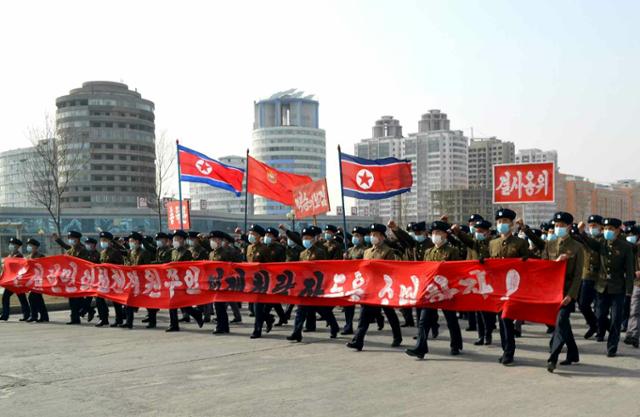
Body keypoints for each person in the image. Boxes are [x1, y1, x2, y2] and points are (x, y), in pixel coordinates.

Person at [405, 220, 462, 359]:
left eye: (438, 233)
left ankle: (456, 344)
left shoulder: (452, 251)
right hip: (430, 292)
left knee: (451, 320)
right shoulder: (428, 252)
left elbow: (457, 271)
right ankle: (420, 347)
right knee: (423, 321)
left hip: (446, 291)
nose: (435, 235)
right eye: (433, 233)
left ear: (445, 235)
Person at [579, 217, 635, 356]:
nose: (607, 231)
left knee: (616, 318)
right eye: (605, 229)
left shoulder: (625, 247)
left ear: (617, 230)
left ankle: (612, 346)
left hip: (618, 288)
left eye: (610, 229)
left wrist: (629, 290)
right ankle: (603, 330)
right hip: (601, 286)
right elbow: (590, 243)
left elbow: (629, 271)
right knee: (600, 316)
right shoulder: (601, 243)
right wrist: (582, 233)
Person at [347, 223, 402, 351]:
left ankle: (397, 337)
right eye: (371, 234)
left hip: (383, 287)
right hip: (370, 287)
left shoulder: (388, 251)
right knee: (364, 315)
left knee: (390, 313)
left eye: (376, 235)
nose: (373, 237)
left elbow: (391, 269)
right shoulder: (367, 252)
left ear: (382, 237)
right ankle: (358, 340)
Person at [544, 212, 585, 372]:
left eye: (562, 225)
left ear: (569, 226)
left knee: (560, 322)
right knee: (563, 324)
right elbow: (544, 268)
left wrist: (571, 295)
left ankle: (552, 358)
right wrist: (555, 263)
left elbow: (577, 275)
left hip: (567, 293)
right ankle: (573, 353)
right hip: (553, 292)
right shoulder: (550, 244)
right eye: (556, 225)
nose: (558, 228)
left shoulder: (577, 247)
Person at [488, 208, 529, 366]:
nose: (501, 224)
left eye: (505, 222)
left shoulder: (520, 243)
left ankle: (509, 351)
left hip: (513, 286)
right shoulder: (493, 243)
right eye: (499, 222)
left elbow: (527, 264)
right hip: (498, 287)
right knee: (501, 319)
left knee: (506, 319)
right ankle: (506, 349)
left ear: (511, 224)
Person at [287, 226, 340, 342]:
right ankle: (296, 332)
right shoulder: (302, 254)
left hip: (317, 285)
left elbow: (324, 268)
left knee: (322, 310)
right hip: (305, 285)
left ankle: (334, 327)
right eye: (304, 237)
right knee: (300, 310)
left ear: (313, 239)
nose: (306, 240)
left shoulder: (320, 252)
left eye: (308, 238)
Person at [452, 219, 496, 346]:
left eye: (481, 231)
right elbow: (469, 241)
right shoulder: (475, 243)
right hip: (476, 280)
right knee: (478, 310)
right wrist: (458, 232)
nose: (478, 233)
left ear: (487, 232)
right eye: (477, 231)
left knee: (487, 312)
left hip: (489, 281)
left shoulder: (493, 243)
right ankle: (481, 335)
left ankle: (488, 334)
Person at [388, 220, 434, 329]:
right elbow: (405, 239)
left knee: (428, 306)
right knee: (418, 304)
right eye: (415, 233)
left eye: (418, 233)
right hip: (415, 277)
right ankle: (420, 328)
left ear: (425, 233)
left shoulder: (430, 244)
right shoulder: (413, 243)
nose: (416, 235)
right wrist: (395, 229)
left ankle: (432, 325)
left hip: (427, 276)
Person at [167, 230, 204, 332]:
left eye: (177, 239)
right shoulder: (173, 251)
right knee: (175, 303)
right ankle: (175, 324)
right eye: (174, 239)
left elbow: (187, 267)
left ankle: (195, 315)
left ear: (182, 240)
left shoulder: (187, 252)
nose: (174, 241)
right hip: (173, 280)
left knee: (179, 303)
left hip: (182, 281)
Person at [53, 231, 91, 325]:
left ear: (78, 239)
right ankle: (74, 318)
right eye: (70, 239)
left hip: (80, 278)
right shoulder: (70, 251)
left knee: (79, 299)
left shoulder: (83, 250)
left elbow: (84, 263)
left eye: (73, 239)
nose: (71, 240)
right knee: (72, 300)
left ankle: (89, 310)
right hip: (71, 279)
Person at [245, 224, 275, 339]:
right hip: (251, 281)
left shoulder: (264, 249)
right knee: (253, 308)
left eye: (254, 234)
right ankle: (268, 318)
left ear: (259, 236)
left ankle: (257, 330)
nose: (251, 236)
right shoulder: (248, 248)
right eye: (250, 233)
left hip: (262, 281)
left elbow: (269, 266)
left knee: (257, 307)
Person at [578, 215, 604, 339]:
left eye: (595, 225)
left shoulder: (604, 240)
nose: (592, 227)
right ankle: (594, 324)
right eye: (591, 225)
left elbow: (593, 244)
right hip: (587, 276)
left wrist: (583, 233)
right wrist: (579, 231)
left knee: (599, 307)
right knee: (583, 304)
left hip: (600, 277)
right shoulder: (585, 238)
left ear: (601, 227)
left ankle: (600, 331)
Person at [123, 232, 155, 329]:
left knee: (147, 302)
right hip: (132, 281)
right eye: (129, 241)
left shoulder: (144, 253)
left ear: (137, 241)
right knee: (129, 301)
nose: (130, 243)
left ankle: (152, 321)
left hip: (142, 281)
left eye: (132, 241)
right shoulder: (129, 252)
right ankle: (129, 322)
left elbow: (147, 267)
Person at [341, 226, 369, 335]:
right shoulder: (349, 250)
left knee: (364, 306)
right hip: (351, 280)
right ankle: (348, 326)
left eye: (357, 236)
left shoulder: (365, 250)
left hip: (361, 280)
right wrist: (345, 259)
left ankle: (376, 319)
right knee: (348, 304)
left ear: (362, 237)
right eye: (353, 236)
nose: (355, 238)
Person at [208, 230, 235, 334]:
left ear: (220, 240)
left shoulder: (226, 252)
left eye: (214, 239)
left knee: (220, 305)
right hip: (215, 282)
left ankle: (221, 326)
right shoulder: (211, 253)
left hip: (224, 282)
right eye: (211, 240)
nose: (212, 241)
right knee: (218, 305)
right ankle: (224, 326)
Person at [144, 232, 172, 328]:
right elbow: (149, 248)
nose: (159, 242)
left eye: (161, 240)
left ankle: (194, 314)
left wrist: (152, 264)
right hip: (157, 279)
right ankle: (152, 321)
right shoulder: (158, 249)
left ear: (166, 240)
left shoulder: (170, 251)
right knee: (151, 299)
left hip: (166, 279)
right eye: (157, 240)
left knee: (173, 303)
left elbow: (165, 263)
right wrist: (142, 239)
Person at [0, 237, 30, 321]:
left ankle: (6, 315)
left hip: (16, 281)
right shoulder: (10, 255)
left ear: (17, 246)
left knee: (11, 297)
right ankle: (26, 314)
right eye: (10, 244)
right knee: (20, 297)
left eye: (13, 244)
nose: (11, 245)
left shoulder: (19, 256)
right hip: (11, 281)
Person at [263, 227, 288, 326]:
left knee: (269, 301)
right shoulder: (264, 247)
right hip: (266, 277)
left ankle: (267, 317)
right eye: (266, 235)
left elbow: (281, 263)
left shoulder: (279, 248)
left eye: (269, 236)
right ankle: (283, 318)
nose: (267, 237)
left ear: (274, 237)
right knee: (274, 301)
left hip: (275, 277)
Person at [24, 238, 49, 323]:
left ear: (36, 247)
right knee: (38, 299)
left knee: (32, 297)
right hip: (32, 281)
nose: (29, 247)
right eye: (28, 245)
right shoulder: (28, 257)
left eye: (31, 245)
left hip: (39, 281)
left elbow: (45, 267)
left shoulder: (40, 256)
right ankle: (44, 316)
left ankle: (34, 316)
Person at [624, 225, 640, 348]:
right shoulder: (632, 249)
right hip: (637, 284)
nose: (630, 237)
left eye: (632, 235)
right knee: (634, 310)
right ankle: (632, 335)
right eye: (628, 235)